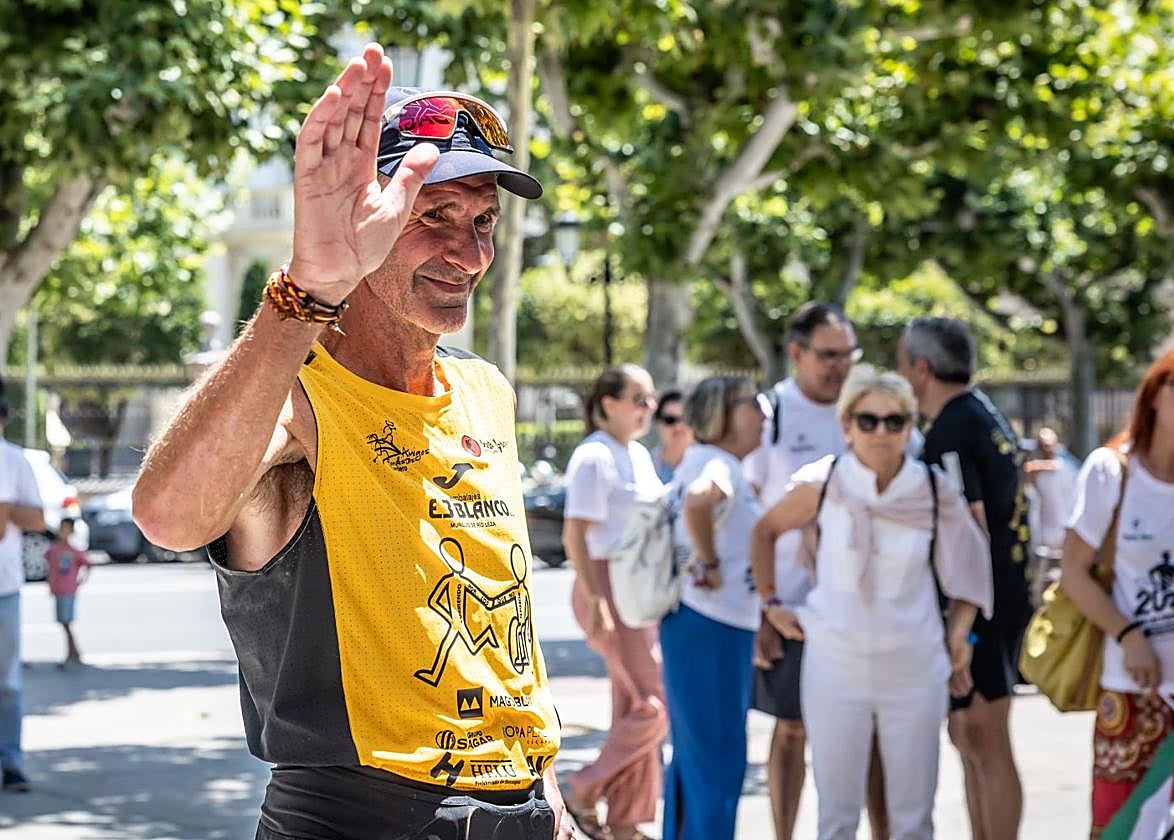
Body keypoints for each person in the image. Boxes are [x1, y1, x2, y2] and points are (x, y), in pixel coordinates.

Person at [132, 46, 571, 839]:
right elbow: (167, 514)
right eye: (431, 216)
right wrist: (311, 285)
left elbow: (499, 617)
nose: (469, 253)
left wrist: (545, 782)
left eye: (482, 222)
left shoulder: (485, 391)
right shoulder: (297, 396)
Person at [751, 366, 992, 840]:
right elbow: (763, 532)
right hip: (834, 664)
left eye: (894, 421)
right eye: (867, 420)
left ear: (910, 426)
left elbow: (970, 566)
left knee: (913, 819)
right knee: (837, 816)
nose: (880, 432)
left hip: (914, 667)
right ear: (846, 426)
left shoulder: (930, 488)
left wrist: (959, 634)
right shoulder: (824, 483)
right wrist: (772, 603)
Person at [743, 302, 891, 840]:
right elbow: (749, 518)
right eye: (829, 355)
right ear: (797, 353)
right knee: (791, 729)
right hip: (794, 611)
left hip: (867, 608)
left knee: (872, 734)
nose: (840, 366)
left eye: (849, 355)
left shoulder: (868, 409)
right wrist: (762, 606)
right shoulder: (771, 415)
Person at [897, 317, 1031, 840]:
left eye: (902, 362)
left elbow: (966, 532)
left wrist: (962, 627)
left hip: (981, 610)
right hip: (995, 600)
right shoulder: (982, 414)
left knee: (984, 735)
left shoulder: (953, 427)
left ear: (922, 368)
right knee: (969, 735)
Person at [1059, 350, 1174, 836]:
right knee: (1122, 827)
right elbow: (1073, 573)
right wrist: (1128, 636)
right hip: (1134, 690)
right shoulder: (1112, 472)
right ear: (1154, 394)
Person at [561, 365, 666, 840]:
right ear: (608, 404)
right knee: (656, 704)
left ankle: (625, 823)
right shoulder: (594, 456)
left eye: (651, 399)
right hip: (605, 586)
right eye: (638, 398)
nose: (649, 408)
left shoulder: (638, 454)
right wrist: (595, 600)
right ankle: (583, 787)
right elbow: (575, 534)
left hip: (637, 589)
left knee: (632, 708)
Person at [660, 376, 765, 840]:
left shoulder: (698, 460)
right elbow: (700, 502)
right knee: (718, 766)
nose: (763, 413)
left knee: (697, 762)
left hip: (698, 625)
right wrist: (711, 563)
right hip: (713, 626)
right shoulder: (720, 465)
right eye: (751, 403)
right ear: (722, 414)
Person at [0, 397, 45, 793]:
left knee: (7, 682)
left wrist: (6, 509)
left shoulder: (14, 461)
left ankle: (10, 762)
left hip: (5, 588)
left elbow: (38, 520)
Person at [1024, 427, 1078, 605]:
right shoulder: (1036, 472)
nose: (1048, 449)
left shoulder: (1067, 468)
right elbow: (1028, 470)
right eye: (1044, 446)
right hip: (1043, 537)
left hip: (1065, 533)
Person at [45, 518, 90, 668]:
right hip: (58, 590)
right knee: (63, 622)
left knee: (66, 622)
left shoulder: (73, 551)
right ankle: (74, 652)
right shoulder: (53, 549)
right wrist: (50, 583)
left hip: (69, 590)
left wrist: (80, 581)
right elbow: (49, 566)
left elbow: (87, 563)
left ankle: (72, 653)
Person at [651, 389, 693, 483]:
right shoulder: (645, 464)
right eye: (670, 420)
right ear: (658, 422)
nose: (678, 427)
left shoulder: (707, 464)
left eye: (685, 419)